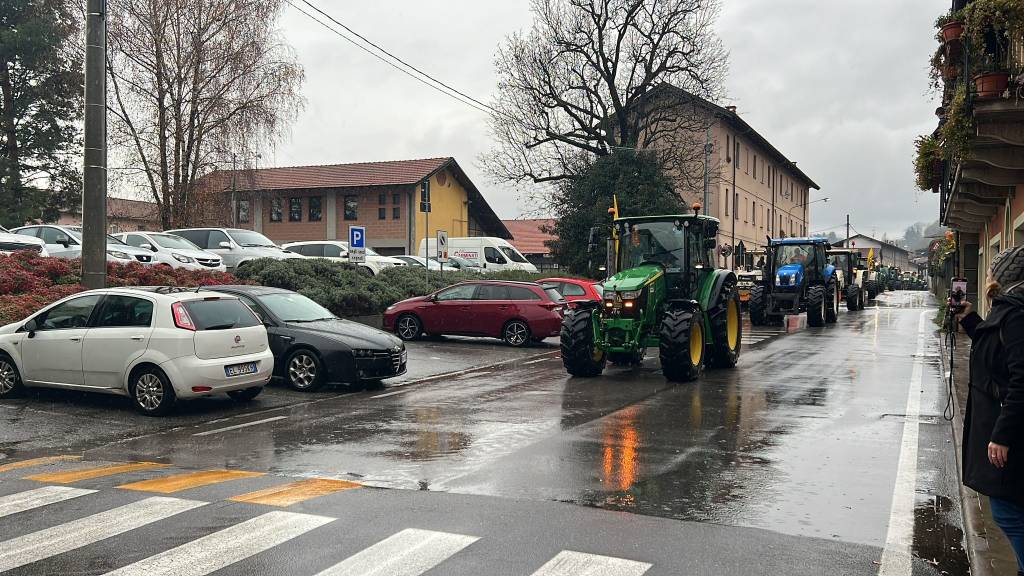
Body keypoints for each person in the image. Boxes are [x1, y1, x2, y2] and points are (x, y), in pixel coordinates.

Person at [958, 245, 1024, 576]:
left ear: (1000, 277)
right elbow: (997, 354)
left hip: (1010, 433)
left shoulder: (1015, 314)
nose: (985, 275)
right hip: (1006, 427)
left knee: (1010, 512)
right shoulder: (1010, 311)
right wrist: (971, 321)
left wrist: (1002, 435)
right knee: (1010, 509)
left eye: (990, 270)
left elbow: (1021, 380)